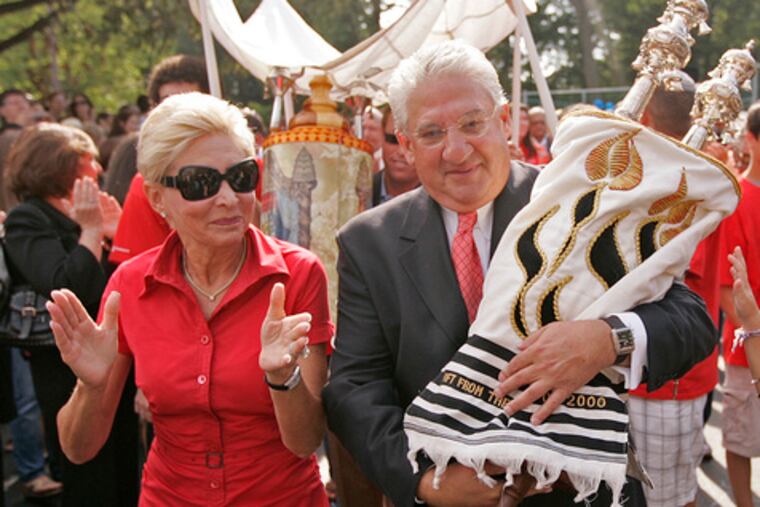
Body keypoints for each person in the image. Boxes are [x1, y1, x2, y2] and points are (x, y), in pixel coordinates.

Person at [323, 40, 716, 507]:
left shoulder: (585, 203)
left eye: (472, 124)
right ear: (405, 145)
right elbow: (354, 386)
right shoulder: (369, 243)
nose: (456, 150)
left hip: (577, 493)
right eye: (431, 133)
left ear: (504, 121)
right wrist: (424, 482)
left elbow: (691, 320)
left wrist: (606, 340)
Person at [47, 92, 332, 506]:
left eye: (241, 177)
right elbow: (79, 449)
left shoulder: (298, 275)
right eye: (200, 182)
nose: (228, 199)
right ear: (158, 198)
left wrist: (282, 378)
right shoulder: (129, 285)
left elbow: (306, 441)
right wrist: (91, 386)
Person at [3, 122, 135, 506]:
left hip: (115, 354)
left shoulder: (87, 208)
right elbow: (67, 285)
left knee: (124, 456)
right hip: (65, 362)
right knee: (87, 468)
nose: (97, 169)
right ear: (60, 167)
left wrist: (117, 234)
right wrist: (92, 230)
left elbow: (122, 280)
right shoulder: (28, 218)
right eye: (88, 161)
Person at [628, 85, 719, 507]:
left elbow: (672, 277)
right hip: (661, 371)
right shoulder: (698, 175)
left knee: (667, 498)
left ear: (645, 118)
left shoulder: (679, 184)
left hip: (668, 378)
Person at [108, 54, 210, 265]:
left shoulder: (251, 170)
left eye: (190, 100)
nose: (180, 113)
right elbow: (138, 275)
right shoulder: (148, 184)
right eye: (168, 103)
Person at [718, 101, 760, 507]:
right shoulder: (736, 199)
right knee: (742, 440)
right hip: (746, 352)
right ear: (751, 139)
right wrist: (755, 336)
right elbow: (725, 288)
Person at [372, 107, 419, 206]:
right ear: (382, 136)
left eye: (410, 144)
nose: (401, 152)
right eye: (393, 140)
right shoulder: (356, 193)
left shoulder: (443, 203)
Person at [0, 89, 32, 210]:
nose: (21, 105)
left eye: (24, 101)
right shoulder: (5, 138)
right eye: (14, 102)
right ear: (2, 110)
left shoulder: (32, 135)